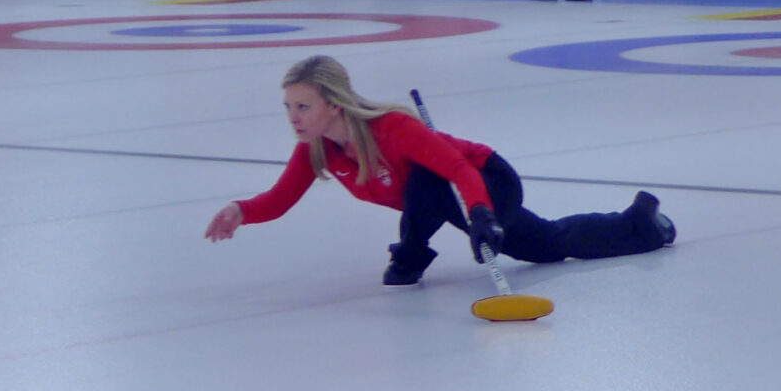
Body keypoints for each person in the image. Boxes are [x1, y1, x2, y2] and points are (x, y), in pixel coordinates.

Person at [203, 54, 675, 285]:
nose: (293, 118)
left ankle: (410, 251)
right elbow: (279, 200)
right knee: (549, 246)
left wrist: (483, 215)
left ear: (333, 103)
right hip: (442, 197)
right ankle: (639, 224)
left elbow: (455, 168)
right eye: (288, 106)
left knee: (426, 179)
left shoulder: (391, 128)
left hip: (486, 181)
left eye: (303, 106)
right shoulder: (315, 148)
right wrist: (239, 211)